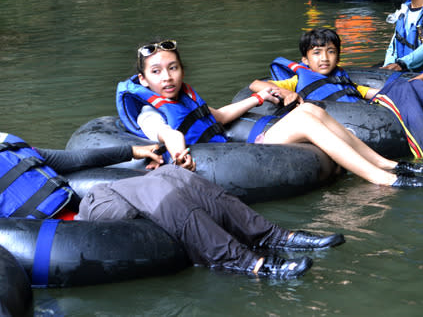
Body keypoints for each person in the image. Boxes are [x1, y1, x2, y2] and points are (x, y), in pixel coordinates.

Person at [0, 131, 344, 279]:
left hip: (88, 209)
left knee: (173, 175)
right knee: (154, 189)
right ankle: (247, 264)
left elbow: (74, 157)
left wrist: (129, 151)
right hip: (60, 233)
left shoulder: (10, 143)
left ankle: (272, 237)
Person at [116, 39, 423, 189]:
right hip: (221, 160)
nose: (167, 77)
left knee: (310, 108)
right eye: (157, 72)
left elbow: (219, 116)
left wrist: (256, 98)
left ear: (182, 70)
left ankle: (387, 164)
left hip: (232, 148)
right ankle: (383, 180)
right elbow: (167, 133)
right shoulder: (149, 112)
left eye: (173, 68)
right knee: (304, 118)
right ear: (144, 80)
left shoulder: (185, 94)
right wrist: (177, 150)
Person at [250, 28, 423, 165]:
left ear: (338, 56)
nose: (324, 58)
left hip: (369, 114)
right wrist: (284, 90)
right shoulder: (296, 79)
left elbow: (382, 93)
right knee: (406, 87)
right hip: (349, 126)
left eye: (330, 51)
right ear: (305, 60)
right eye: (317, 53)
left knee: (415, 86)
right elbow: (254, 84)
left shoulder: (346, 80)